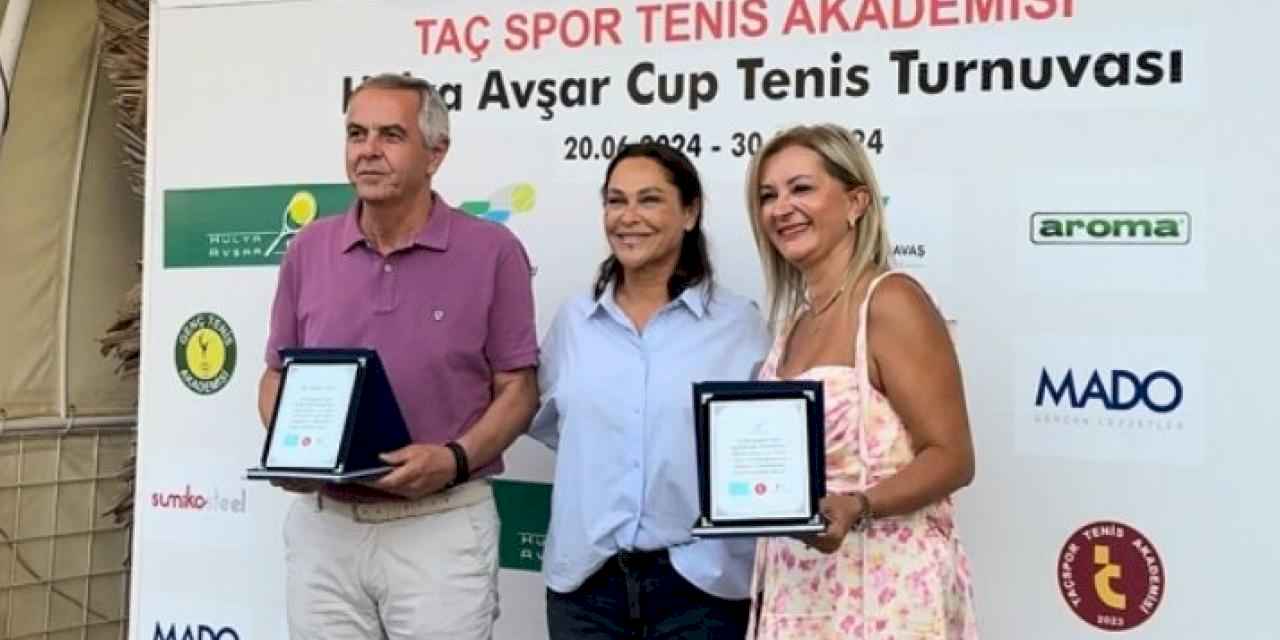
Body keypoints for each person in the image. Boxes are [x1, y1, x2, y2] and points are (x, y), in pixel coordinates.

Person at [257, 73, 539, 640]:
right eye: (356, 133)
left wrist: (454, 459)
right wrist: (292, 451)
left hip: (440, 526)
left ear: (436, 153)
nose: (368, 150)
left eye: (390, 135)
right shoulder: (308, 248)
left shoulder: (492, 251)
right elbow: (275, 377)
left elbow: (519, 389)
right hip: (325, 532)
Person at [743, 124, 978, 639]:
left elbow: (953, 457)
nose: (781, 208)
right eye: (767, 195)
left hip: (885, 592)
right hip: (800, 590)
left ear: (856, 202)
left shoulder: (892, 301)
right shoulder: (792, 325)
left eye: (801, 188)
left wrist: (859, 505)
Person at [529, 142, 771, 639]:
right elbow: (557, 428)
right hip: (586, 590)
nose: (628, 217)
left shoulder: (739, 325)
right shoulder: (574, 322)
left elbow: (762, 449)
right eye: (616, 201)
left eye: (650, 200)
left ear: (690, 212)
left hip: (700, 591)